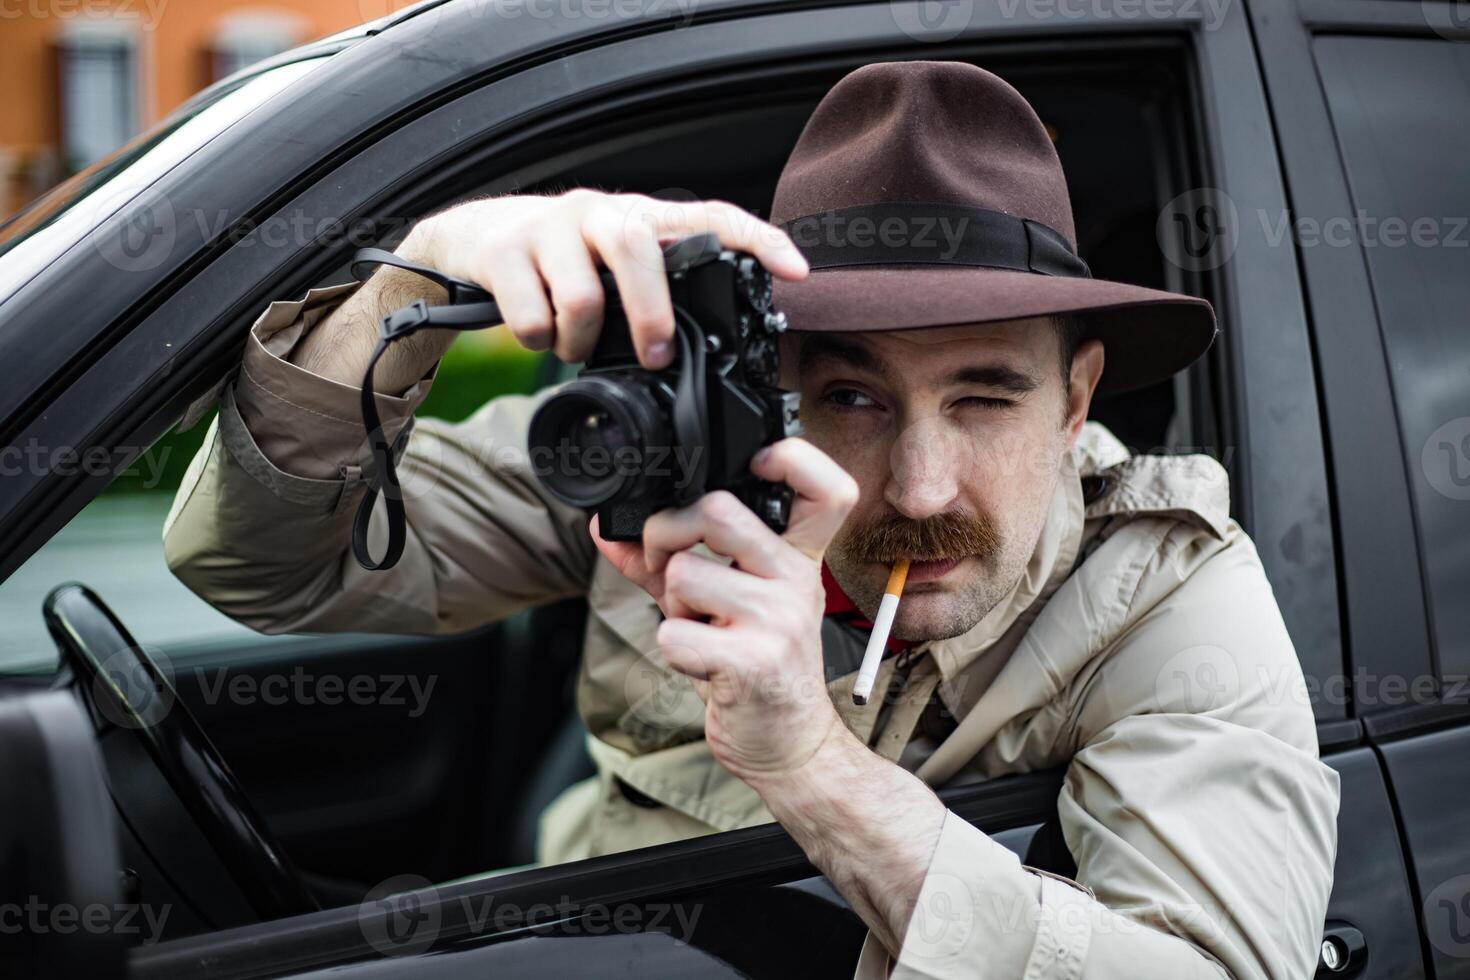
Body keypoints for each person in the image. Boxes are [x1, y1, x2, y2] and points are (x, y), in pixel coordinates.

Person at [165, 60, 1339, 978]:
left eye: (985, 395)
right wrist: (410, 282)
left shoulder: (1169, 596)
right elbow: (260, 564)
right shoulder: (676, 475)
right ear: (771, 386)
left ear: (1077, 395)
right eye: (853, 396)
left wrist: (812, 764)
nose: (922, 487)